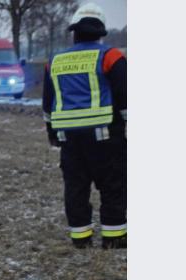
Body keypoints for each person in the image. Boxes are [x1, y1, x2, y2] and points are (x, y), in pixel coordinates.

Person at [42, 2, 127, 249]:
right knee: (113, 185)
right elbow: (124, 96)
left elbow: (48, 103)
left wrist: (52, 133)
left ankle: (80, 238)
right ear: (101, 32)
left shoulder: (55, 61)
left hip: (69, 138)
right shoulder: (110, 56)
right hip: (105, 136)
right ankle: (114, 238)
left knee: (76, 187)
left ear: (74, 31)